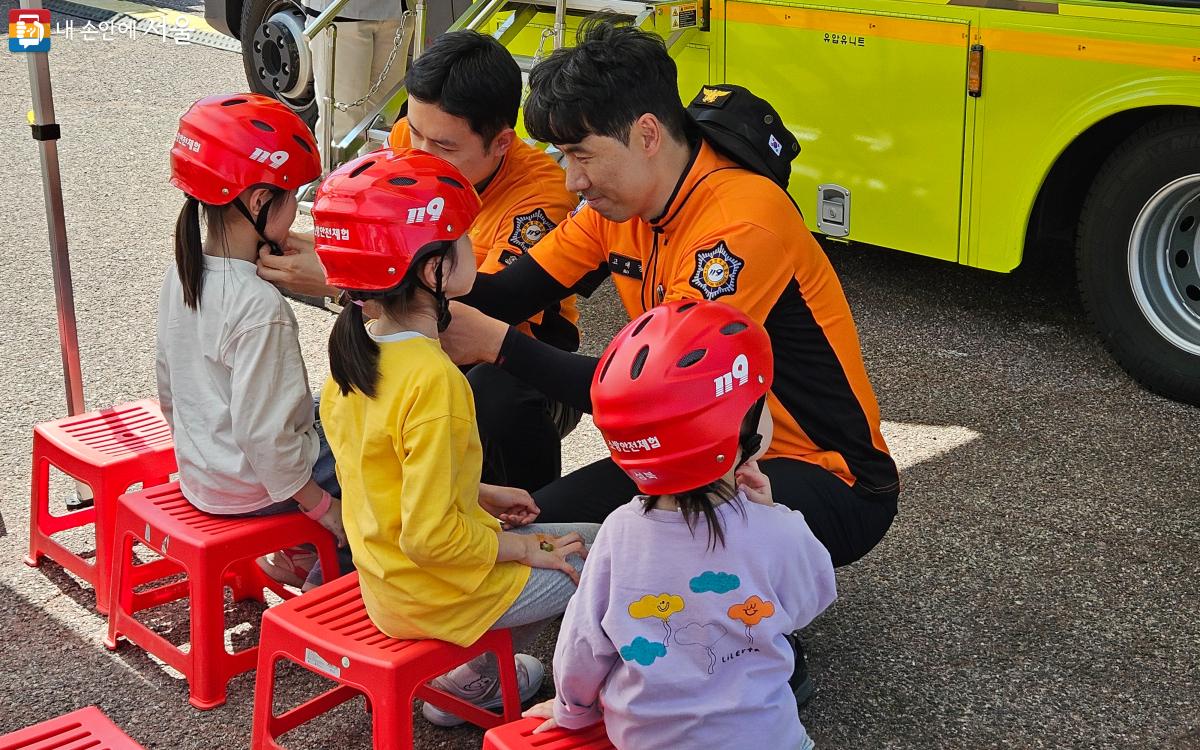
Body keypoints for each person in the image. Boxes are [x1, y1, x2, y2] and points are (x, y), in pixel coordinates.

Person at [444, 19, 899, 571]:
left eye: (582, 155)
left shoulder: (741, 224)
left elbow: (656, 398)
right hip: (696, 455)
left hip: (823, 473)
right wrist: (392, 280)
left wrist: (498, 345)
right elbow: (505, 296)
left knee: (643, 555)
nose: (572, 180)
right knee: (547, 533)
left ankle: (749, 648)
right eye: (563, 156)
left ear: (648, 134)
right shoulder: (618, 207)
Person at [311, 147, 601, 726]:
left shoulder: (351, 361)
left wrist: (484, 494)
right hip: (436, 591)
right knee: (601, 552)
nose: (475, 249)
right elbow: (430, 537)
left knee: (566, 540)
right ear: (433, 269)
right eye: (463, 238)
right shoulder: (437, 381)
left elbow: (386, 484)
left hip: (387, 585)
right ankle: (575, 699)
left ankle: (474, 675)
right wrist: (523, 547)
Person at [259, 30, 583, 492]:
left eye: (445, 148)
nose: (421, 159)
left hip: (518, 362)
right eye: (415, 133)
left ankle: (527, 521)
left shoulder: (541, 197)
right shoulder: (410, 140)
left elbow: (492, 307)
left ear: (501, 143)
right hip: (422, 342)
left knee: (493, 396)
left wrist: (345, 279)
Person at [523, 300, 837, 748]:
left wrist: (571, 711)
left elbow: (583, 645)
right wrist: (770, 512)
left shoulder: (619, 533)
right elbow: (812, 597)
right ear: (738, 430)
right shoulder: (776, 530)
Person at [158, 93, 348, 590]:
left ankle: (293, 552)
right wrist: (323, 507)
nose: (296, 213)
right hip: (256, 490)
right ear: (261, 202)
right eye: (293, 198)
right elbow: (266, 437)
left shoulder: (183, 272)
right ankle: (322, 575)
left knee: (317, 409)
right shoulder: (262, 309)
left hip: (204, 476)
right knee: (369, 445)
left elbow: (169, 391)